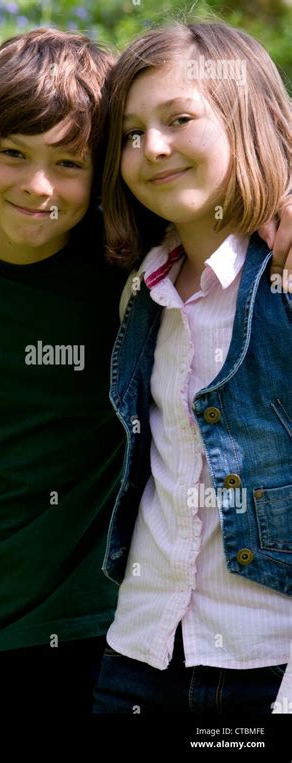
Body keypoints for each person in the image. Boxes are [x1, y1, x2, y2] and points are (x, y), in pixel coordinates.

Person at [0, 25, 290, 717]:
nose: (37, 185)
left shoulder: (129, 256)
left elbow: (220, 187)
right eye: (12, 154)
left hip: (111, 632)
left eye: (69, 162)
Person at [92, 20, 292, 715]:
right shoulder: (140, 293)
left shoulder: (284, 286)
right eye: (130, 133)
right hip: (137, 653)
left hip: (263, 666)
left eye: (179, 119)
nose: (153, 147)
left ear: (250, 120)